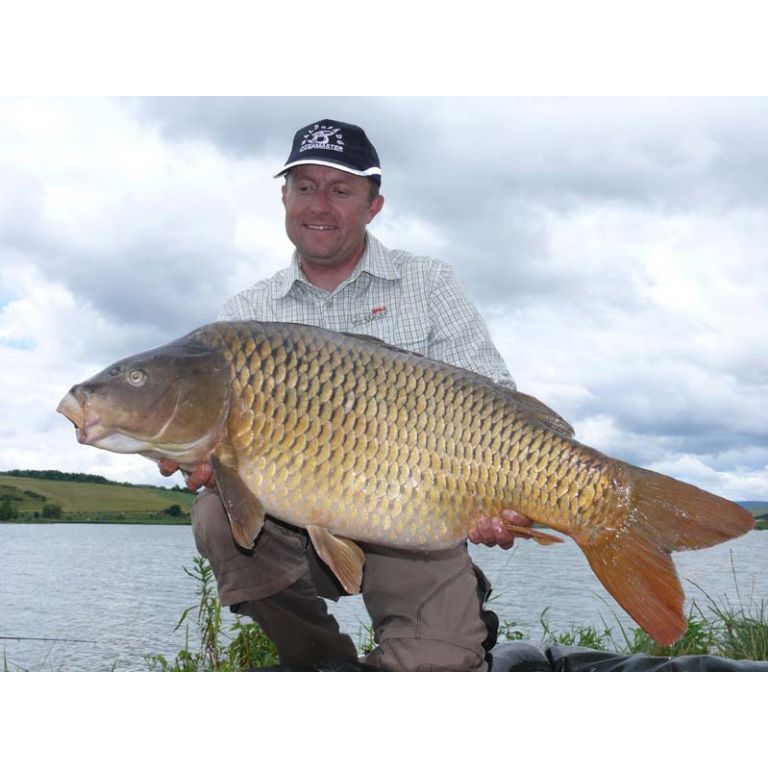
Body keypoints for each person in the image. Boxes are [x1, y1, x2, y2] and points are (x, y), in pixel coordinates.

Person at [161, 119, 533, 671]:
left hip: (411, 519)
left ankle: (452, 609)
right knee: (217, 516)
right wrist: (198, 459)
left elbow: (498, 399)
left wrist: (497, 501)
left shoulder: (427, 283)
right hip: (292, 535)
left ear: (373, 205)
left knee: (441, 673)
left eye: (341, 190)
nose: (319, 204)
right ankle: (324, 663)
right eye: (305, 186)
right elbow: (202, 440)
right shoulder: (246, 312)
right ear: (283, 196)